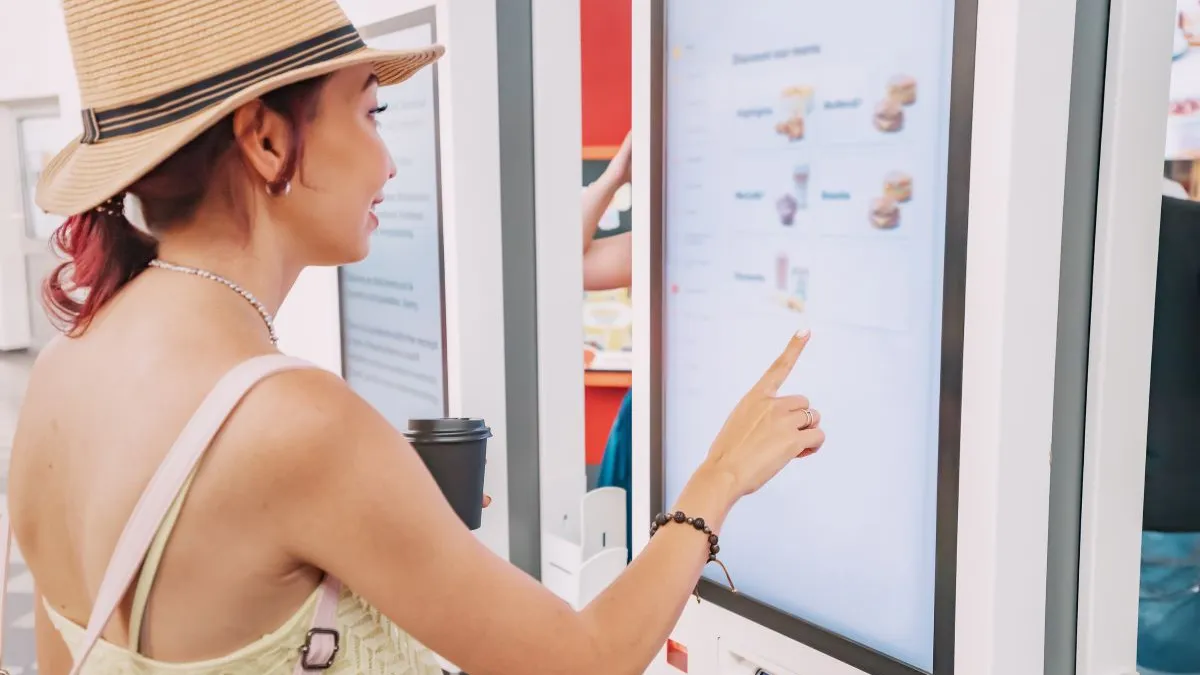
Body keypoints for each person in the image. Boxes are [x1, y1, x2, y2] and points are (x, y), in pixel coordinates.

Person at [6, 2, 825, 675]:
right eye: (371, 110)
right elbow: (587, 659)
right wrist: (716, 479)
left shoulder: (62, 371)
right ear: (265, 139)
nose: (388, 161)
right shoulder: (291, 418)